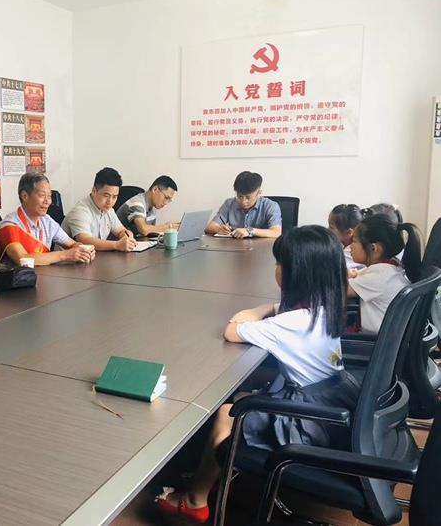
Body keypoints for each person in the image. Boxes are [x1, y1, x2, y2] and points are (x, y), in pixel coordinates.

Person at [156, 226, 358, 522]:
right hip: (334, 404)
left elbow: (232, 330)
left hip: (310, 422)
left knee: (228, 412)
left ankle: (195, 499)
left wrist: (257, 311)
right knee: (246, 392)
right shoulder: (326, 307)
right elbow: (281, 314)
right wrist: (271, 307)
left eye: (279, 263)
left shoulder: (291, 324)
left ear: (294, 274)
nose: (276, 268)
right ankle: (215, 470)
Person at [0, 173, 95, 269]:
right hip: (15, 279)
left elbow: (72, 244)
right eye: (42, 195)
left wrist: (83, 250)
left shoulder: (47, 221)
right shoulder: (9, 225)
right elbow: (22, 259)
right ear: (25, 196)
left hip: (44, 276)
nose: (47, 201)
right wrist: (65, 255)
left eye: (49, 196)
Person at [347, 213, 422, 334]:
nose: (350, 246)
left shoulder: (379, 276)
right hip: (387, 339)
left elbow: (339, 289)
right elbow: (356, 275)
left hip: (371, 341)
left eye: (354, 241)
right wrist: (352, 274)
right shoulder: (391, 267)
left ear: (374, 248)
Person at [61, 167, 137, 251]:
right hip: (69, 258)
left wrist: (127, 237)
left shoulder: (109, 210)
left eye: (114, 197)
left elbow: (121, 231)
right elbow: (85, 240)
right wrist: (116, 245)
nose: (110, 201)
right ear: (94, 191)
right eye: (106, 196)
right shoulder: (80, 211)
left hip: (94, 256)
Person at [205, 171, 282, 239]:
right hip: (235, 247)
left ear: (259, 193)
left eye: (248, 197)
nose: (243, 201)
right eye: (240, 196)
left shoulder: (271, 206)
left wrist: (249, 231)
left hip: (261, 248)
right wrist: (219, 229)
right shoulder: (229, 203)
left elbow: (276, 232)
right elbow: (209, 227)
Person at [328, 203, 364, 270]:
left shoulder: (351, 252)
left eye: (331, 227)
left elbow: (332, 267)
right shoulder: (343, 245)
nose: (328, 230)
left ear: (349, 232)